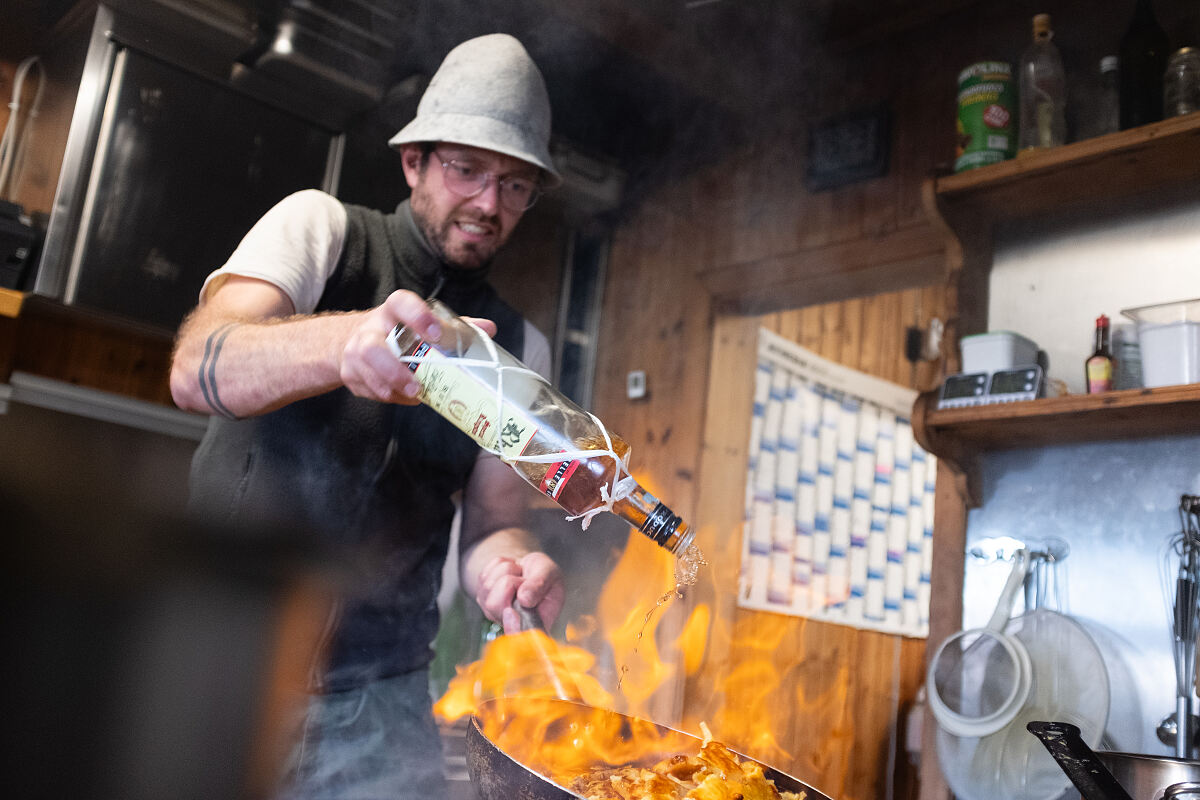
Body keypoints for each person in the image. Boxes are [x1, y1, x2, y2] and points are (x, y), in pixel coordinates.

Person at [170, 33, 566, 800]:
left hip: (383, 704)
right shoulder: (321, 231)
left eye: (516, 185)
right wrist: (343, 343)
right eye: (468, 168)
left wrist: (508, 571)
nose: (490, 203)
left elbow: (491, 522)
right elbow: (196, 364)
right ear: (413, 160)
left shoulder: (519, 347)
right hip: (220, 670)